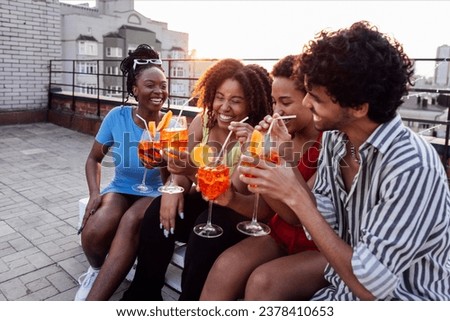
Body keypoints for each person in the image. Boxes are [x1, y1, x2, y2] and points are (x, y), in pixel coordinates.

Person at [239, 21, 450, 300]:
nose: (305, 104)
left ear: (359, 107)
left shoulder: (412, 167)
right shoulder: (336, 139)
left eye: (315, 98)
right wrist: (284, 160)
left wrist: (296, 196)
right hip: (341, 291)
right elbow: (322, 221)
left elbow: (370, 288)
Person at [122, 58, 274, 300]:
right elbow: (182, 167)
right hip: (206, 201)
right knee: (155, 213)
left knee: (205, 232)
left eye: (236, 101)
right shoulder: (202, 121)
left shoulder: (253, 137)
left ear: (251, 104)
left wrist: (189, 171)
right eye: (219, 97)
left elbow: (230, 191)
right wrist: (173, 189)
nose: (224, 107)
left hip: (234, 211)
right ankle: (143, 295)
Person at [200, 55, 328, 300]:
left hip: (319, 242)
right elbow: (267, 210)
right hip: (280, 232)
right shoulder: (273, 136)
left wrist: (274, 158)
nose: (277, 111)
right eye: (273, 102)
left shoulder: (327, 144)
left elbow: (295, 215)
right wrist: (231, 197)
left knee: (263, 282)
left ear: (311, 99)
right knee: (225, 266)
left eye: (286, 103)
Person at [75, 44, 169, 300]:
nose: (158, 91)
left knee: (131, 221)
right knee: (94, 232)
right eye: (150, 85)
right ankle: (97, 269)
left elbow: (175, 179)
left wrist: (163, 163)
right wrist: (95, 193)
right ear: (134, 90)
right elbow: (94, 158)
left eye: (163, 84)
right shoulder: (117, 117)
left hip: (154, 193)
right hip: (121, 186)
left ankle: (102, 290)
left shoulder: (173, 125)